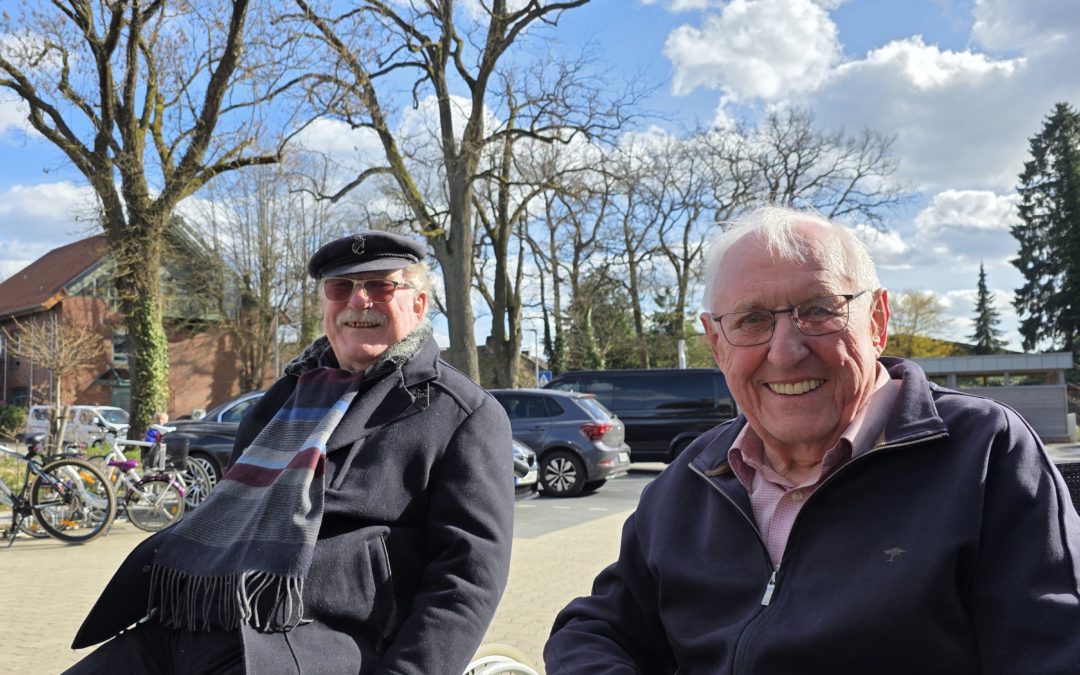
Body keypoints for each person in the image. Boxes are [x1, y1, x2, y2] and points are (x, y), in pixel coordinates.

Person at [544, 205, 1080, 674]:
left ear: (876, 319)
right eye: (752, 320)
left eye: (818, 309)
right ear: (716, 344)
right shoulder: (695, 475)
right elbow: (595, 630)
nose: (785, 351)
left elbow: (1053, 652)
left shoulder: (983, 452)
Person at [68, 231, 515, 674]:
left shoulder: (464, 414)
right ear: (325, 304)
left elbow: (466, 580)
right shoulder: (281, 401)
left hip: (313, 637)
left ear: (417, 305)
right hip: (196, 617)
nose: (358, 302)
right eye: (341, 288)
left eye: (380, 286)